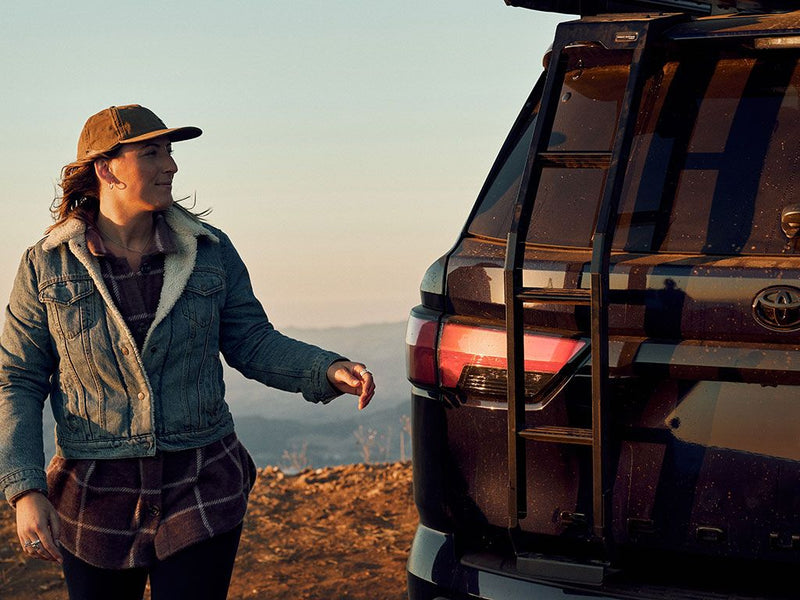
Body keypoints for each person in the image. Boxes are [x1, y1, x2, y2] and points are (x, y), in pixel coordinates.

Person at [0, 104, 376, 600]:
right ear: (106, 168)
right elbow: (19, 380)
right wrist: (25, 488)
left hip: (201, 481)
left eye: (170, 152)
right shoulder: (45, 265)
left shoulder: (209, 251)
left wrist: (325, 369)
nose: (171, 165)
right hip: (95, 495)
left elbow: (252, 340)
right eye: (152, 153)